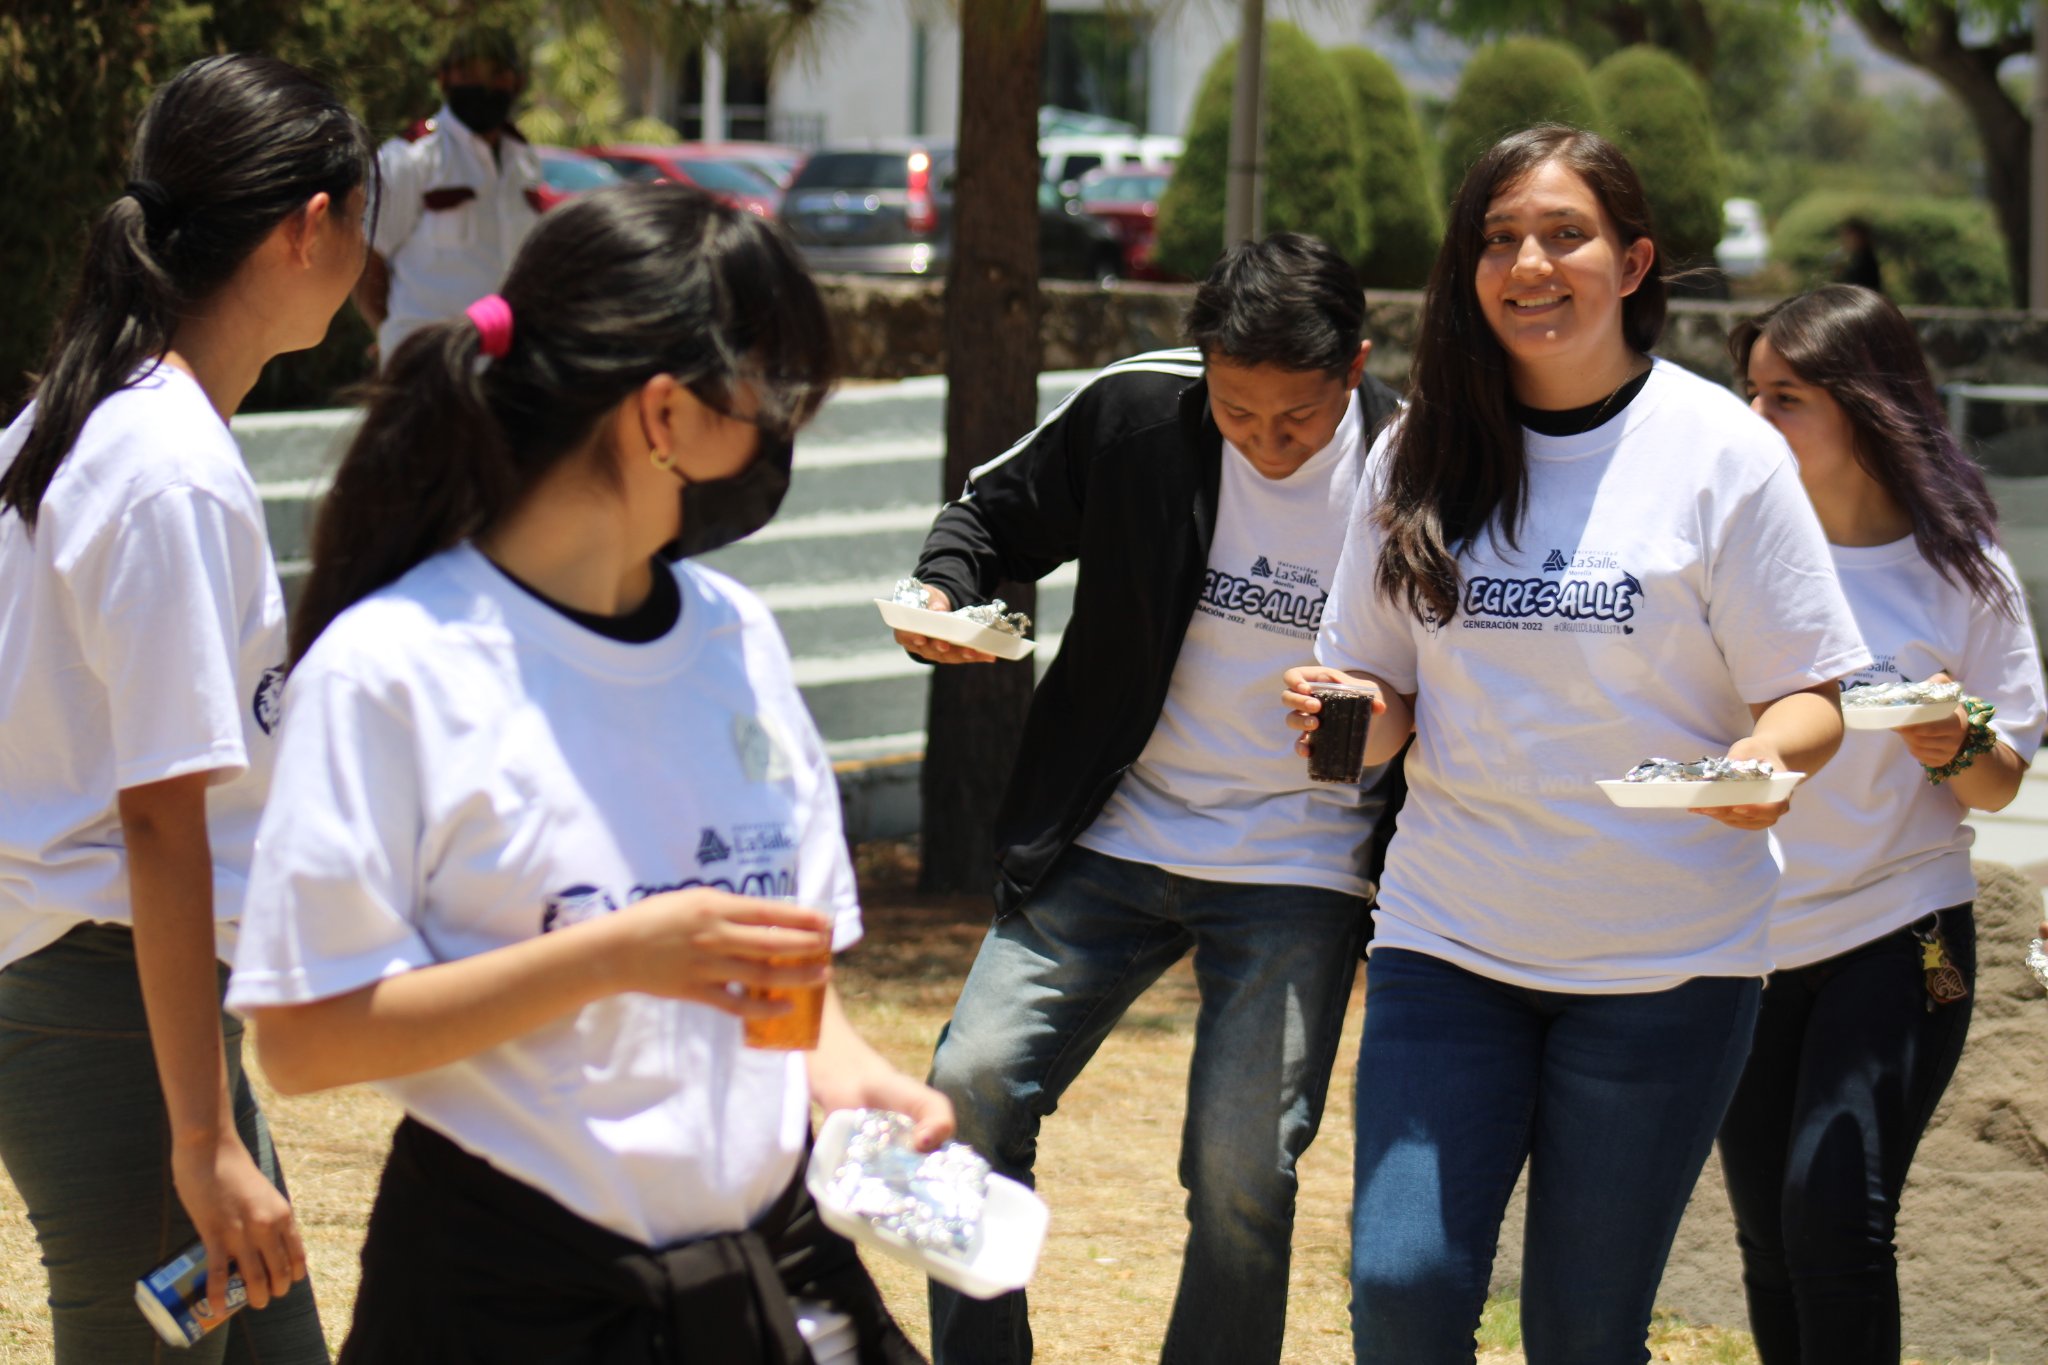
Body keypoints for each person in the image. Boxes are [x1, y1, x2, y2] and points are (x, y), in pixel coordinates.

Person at [225, 183, 951, 1364]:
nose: (777, 435)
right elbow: (304, 1043)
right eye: (766, 396)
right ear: (662, 413)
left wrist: (857, 1080)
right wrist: (615, 957)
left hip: (760, 1272)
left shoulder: (734, 641)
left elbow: (774, 985)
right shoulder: (398, 668)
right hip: (507, 1302)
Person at [1283, 124, 1870, 1364]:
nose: (1527, 264)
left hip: (1667, 967)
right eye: (1498, 239)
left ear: (1632, 259)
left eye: (1563, 234)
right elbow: (1380, 698)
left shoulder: (1722, 453)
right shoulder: (1417, 449)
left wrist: (1763, 764)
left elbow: (1813, 690)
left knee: (1581, 1333)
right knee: (1400, 1289)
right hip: (1451, 944)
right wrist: (1344, 719)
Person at [893, 231, 1404, 1365]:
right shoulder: (1137, 414)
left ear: (1354, 367)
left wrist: (1372, 712)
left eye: (1297, 419)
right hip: (1112, 830)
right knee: (967, 1091)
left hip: (1298, 857)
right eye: (1236, 413)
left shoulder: (1414, 469)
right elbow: (988, 517)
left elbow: (1448, 676)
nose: (1266, 444)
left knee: (1240, 1170)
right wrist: (944, 592)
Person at [0, 54, 370, 1361]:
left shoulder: (84, 420)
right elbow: (160, 823)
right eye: (360, 218)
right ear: (308, 226)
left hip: (120, 999)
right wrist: (203, 1139)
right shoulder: (167, 470)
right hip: (108, 1007)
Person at [1717, 284, 2045, 1364]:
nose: (1753, 422)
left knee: (1831, 1211)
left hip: (1906, 928)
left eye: (1784, 399)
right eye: (1748, 394)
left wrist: (1950, 735)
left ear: (1862, 406)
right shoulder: (1729, 560)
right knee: (1768, 1234)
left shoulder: (1960, 570)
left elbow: (1995, 785)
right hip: (1748, 937)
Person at [352, 25, 545, 364]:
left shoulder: (524, 160)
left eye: (497, 74)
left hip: (506, 367)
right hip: (427, 367)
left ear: (517, 82)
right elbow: (367, 261)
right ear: (444, 79)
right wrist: (392, 334)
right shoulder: (411, 158)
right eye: (468, 73)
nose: (484, 86)